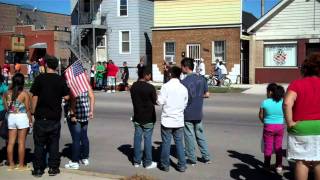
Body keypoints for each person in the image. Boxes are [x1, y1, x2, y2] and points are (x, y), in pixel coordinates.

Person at [30, 55, 69, 177]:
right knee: (54, 144)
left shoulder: (39, 79)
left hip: (41, 116)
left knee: (39, 144)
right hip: (54, 117)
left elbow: (34, 96)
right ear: (56, 67)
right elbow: (67, 96)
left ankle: (38, 169)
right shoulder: (60, 79)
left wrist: (32, 112)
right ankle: (53, 168)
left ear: (46, 65)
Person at [284, 53, 320, 180]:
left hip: (301, 128)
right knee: (318, 162)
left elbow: (287, 103)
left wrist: (289, 122)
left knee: (301, 162)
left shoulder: (297, 84)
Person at [180, 58, 211, 166]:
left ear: (185, 67)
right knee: (200, 135)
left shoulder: (183, 82)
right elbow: (207, 94)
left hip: (187, 112)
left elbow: (181, 98)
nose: (181, 69)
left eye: (182, 66)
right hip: (198, 112)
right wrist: (199, 96)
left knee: (189, 136)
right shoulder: (202, 79)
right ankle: (206, 157)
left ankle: (192, 159)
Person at [157, 66, 188, 172]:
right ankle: (182, 165)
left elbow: (159, 102)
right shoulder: (183, 88)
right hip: (178, 120)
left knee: (166, 143)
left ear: (170, 74)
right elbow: (185, 104)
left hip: (167, 119)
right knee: (179, 143)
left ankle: (165, 165)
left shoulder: (165, 86)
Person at [130, 68, 157, 169]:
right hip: (148, 117)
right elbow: (155, 101)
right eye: (149, 75)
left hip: (137, 116)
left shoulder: (133, 86)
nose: (150, 77)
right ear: (145, 75)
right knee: (147, 139)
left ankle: (136, 161)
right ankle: (148, 162)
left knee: (137, 139)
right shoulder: (150, 87)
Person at [6, 73, 32, 171]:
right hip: (21, 117)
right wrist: (30, 120)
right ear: (22, 82)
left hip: (11, 117)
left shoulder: (7, 93)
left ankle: (11, 165)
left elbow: (6, 107)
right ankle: (21, 165)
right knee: (21, 142)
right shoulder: (24, 93)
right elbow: (28, 109)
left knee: (11, 142)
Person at [65, 88, 95, 170]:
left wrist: (72, 114)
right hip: (85, 113)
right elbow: (92, 97)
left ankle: (75, 161)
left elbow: (73, 99)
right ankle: (85, 158)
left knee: (76, 139)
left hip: (76, 114)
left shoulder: (74, 85)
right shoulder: (85, 83)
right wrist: (91, 111)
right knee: (84, 136)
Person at [258, 83, 285, 174]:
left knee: (268, 147)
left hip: (268, 126)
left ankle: (266, 165)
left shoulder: (265, 102)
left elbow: (261, 115)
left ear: (270, 92)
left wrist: (265, 122)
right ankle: (279, 166)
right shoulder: (282, 101)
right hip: (280, 126)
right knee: (278, 147)